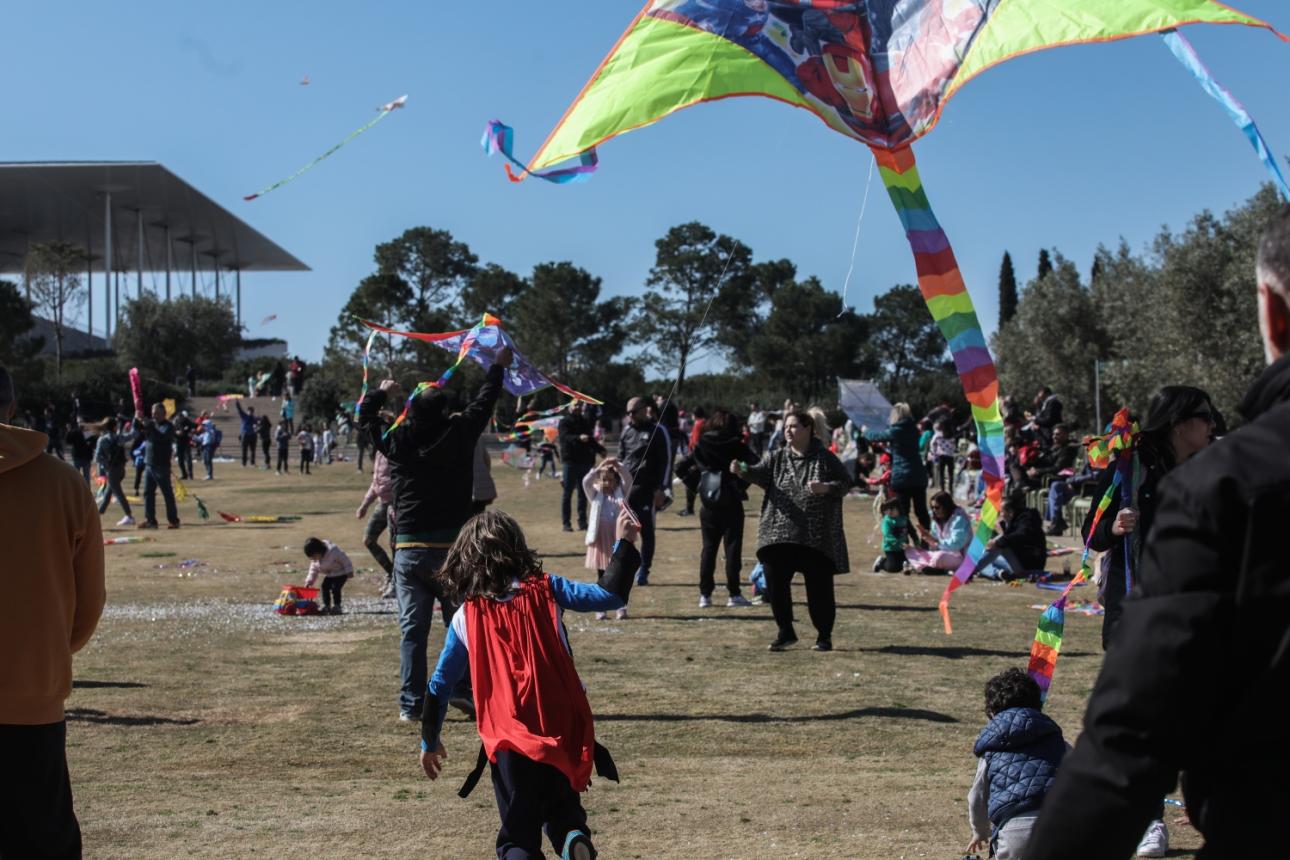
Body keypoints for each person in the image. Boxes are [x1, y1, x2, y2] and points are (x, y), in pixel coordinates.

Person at [1029, 207, 1290, 857]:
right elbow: (1092, 532)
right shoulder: (1141, 472)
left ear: (1272, 311)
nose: (1211, 425)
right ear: (1180, 423)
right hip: (1141, 602)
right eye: (1201, 417)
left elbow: (1134, 736)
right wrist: (1110, 529)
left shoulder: (1227, 484)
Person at [418, 508, 639, 860]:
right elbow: (608, 596)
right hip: (561, 728)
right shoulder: (547, 589)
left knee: (519, 837)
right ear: (517, 548)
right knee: (563, 812)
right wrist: (625, 543)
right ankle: (573, 841)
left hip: (508, 738)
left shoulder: (466, 615)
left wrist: (430, 740)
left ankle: (550, 844)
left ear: (465, 559)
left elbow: (439, 684)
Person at [359, 347, 511, 721]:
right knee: (461, 627)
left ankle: (411, 706)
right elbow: (484, 402)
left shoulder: (397, 439)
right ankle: (461, 688)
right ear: (444, 410)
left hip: (410, 548)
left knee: (413, 632)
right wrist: (497, 368)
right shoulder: (460, 432)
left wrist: (381, 391)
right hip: (454, 552)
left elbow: (364, 418)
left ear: (411, 410)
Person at [0, 366, 105, 859]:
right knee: (43, 838)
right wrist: (48, 651)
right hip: (33, 697)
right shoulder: (64, 483)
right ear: (13, 408)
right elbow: (89, 601)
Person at [734, 410, 850, 651]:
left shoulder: (825, 458)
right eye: (786, 426)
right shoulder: (776, 457)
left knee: (819, 589)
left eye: (794, 426)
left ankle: (824, 636)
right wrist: (742, 469)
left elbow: (846, 483)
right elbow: (759, 473)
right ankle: (785, 631)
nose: (788, 430)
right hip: (778, 533)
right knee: (774, 581)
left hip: (815, 536)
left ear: (808, 429)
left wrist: (826, 488)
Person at [968, 668, 1067, 860]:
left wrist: (980, 831)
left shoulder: (991, 750)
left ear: (992, 711)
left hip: (1014, 831)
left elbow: (977, 797)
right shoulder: (1057, 741)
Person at [675, 408, 756, 609]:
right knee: (732, 549)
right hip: (731, 501)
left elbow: (680, 467)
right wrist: (740, 484)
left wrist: (698, 486)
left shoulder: (703, 443)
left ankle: (705, 595)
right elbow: (755, 466)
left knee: (708, 549)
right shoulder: (736, 445)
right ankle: (734, 594)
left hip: (709, 503)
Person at [619, 396, 672, 585]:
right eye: (628, 413)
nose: (630, 416)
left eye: (633, 412)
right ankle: (625, 568)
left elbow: (666, 462)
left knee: (646, 532)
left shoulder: (658, 431)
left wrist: (662, 488)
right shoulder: (626, 431)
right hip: (626, 491)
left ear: (645, 410)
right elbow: (620, 459)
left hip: (647, 490)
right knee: (624, 532)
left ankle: (644, 571)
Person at [864, 403, 932, 532]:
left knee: (902, 513)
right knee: (921, 511)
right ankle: (926, 541)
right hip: (918, 475)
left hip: (902, 477)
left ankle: (904, 542)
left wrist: (865, 431)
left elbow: (876, 436)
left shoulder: (896, 430)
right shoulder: (914, 429)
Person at [582, 458, 632, 621]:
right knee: (603, 576)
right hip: (601, 539)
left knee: (619, 574)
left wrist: (619, 466)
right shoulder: (595, 494)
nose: (606, 483)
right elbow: (585, 482)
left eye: (610, 480)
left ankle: (621, 607)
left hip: (617, 538)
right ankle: (601, 607)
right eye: (603, 479)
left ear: (615, 480)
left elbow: (628, 479)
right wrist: (598, 468)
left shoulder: (621, 493)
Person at [971, 493, 1044, 581]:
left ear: (1010, 512)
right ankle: (998, 573)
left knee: (1000, 546)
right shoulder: (1017, 519)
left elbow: (1019, 535)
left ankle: (971, 570)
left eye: (1002, 511)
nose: (1000, 514)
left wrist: (996, 542)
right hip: (1020, 560)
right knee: (990, 551)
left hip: (1028, 566)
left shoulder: (1027, 522)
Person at [558, 400, 603, 532]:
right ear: (570, 407)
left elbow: (590, 439)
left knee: (583, 493)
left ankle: (582, 522)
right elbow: (565, 437)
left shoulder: (584, 421)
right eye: (575, 405)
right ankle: (566, 523)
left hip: (585, 462)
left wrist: (600, 449)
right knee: (567, 493)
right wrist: (578, 437)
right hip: (570, 462)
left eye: (579, 405)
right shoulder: (564, 422)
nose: (578, 407)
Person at [358, 449, 397, 599]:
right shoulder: (379, 452)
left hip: (396, 503)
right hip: (383, 503)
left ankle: (396, 582)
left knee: (395, 545)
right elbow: (376, 483)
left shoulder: (396, 448)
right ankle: (391, 572)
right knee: (368, 540)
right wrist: (364, 505)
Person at [136, 403, 180, 530]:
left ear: (163, 413)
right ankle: (150, 520)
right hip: (149, 463)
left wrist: (149, 425)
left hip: (161, 465)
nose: (153, 415)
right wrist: (137, 419)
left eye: (156, 413)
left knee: (167, 493)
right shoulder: (152, 424)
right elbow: (139, 431)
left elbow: (161, 437)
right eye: (152, 412)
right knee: (147, 493)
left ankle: (173, 520)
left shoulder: (168, 426)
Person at [907, 491, 972, 575]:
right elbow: (935, 546)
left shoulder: (959, 519)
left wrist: (936, 542)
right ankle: (929, 567)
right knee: (911, 551)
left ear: (946, 506)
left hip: (960, 556)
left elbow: (956, 545)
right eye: (932, 507)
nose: (934, 510)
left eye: (937, 507)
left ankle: (924, 566)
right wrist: (928, 539)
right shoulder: (936, 520)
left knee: (939, 557)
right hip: (941, 553)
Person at [93, 418, 134, 525]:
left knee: (118, 494)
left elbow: (97, 457)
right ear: (115, 427)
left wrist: (106, 465)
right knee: (108, 493)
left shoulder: (103, 440)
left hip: (111, 470)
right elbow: (133, 435)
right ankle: (98, 513)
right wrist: (136, 420)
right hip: (121, 469)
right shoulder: (119, 438)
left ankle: (129, 515)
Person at [303, 537, 355, 615]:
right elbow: (313, 570)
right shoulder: (316, 560)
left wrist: (349, 571)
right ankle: (326, 606)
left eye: (314, 556)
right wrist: (309, 581)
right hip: (330, 574)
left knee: (335, 588)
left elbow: (345, 560)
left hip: (341, 573)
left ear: (319, 551)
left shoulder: (333, 552)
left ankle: (337, 606)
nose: (313, 559)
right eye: (312, 558)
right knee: (324, 587)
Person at [872, 496, 911, 573]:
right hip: (890, 548)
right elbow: (887, 535)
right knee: (892, 568)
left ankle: (905, 565)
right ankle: (882, 562)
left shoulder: (904, 518)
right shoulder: (887, 521)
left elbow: (911, 530)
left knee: (904, 560)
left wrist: (916, 540)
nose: (889, 512)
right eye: (887, 509)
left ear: (898, 508)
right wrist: (898, 543)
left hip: (902, 548)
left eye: (892, 509)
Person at [471, 436, 497, 516]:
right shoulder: (477, 436)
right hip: (482, 488)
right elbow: (487, 460)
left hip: (469, 490)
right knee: (478, 518)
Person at [930, 420, 956, 491]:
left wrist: (934, 452)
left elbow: (932, 443)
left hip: (941, 455)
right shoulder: (951, 434)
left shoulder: (937, 434)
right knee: (951, 474)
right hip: (950, 455)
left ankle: (942, 489)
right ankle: (951, 489)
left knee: (941, 473)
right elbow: (953, 446)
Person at [174, 411, 194, 481]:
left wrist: (186, 432)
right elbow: (173, 431)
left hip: (186, 442)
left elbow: (192, 427)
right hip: (179, 442)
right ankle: (184, 474)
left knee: (188, 459)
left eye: (181, 418)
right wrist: (176, 432)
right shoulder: (176, 423)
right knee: (180, 460)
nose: (180, 419)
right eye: (179, 418)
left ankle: (190, 475)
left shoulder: (188, 422)